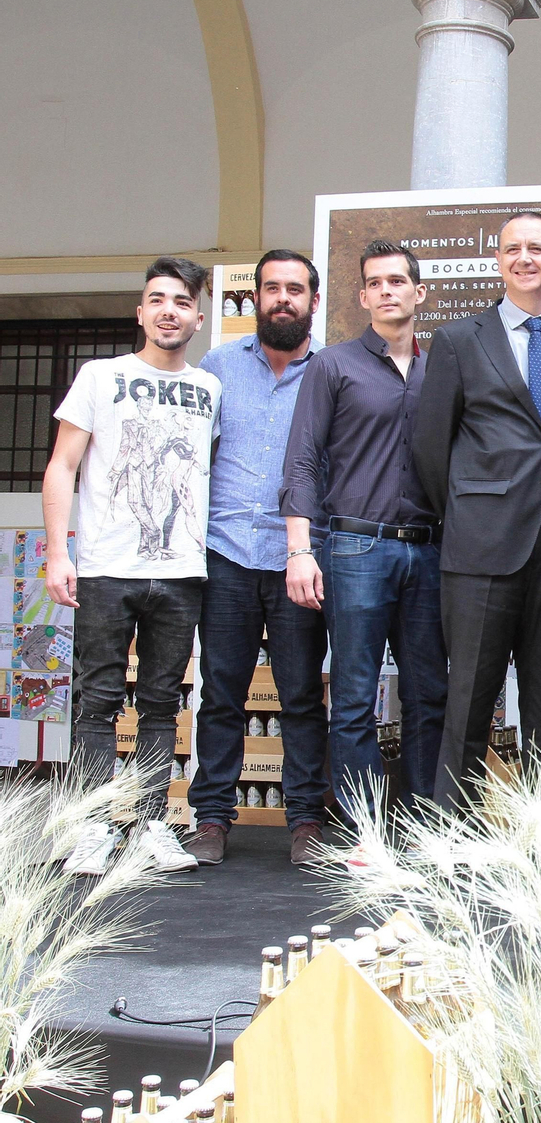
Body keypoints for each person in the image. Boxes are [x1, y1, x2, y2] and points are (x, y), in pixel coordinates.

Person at [413, 212, 541, 810]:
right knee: (470, 699)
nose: (525, 258)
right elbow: (430, 447)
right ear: (498, 261)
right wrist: (472, 514)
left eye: (537, 249)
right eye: (512, 249)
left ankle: (539, 835)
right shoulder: (458, 340)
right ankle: (452, 834)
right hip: (480, 550)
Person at [45, 257, 219, 876]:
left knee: (161, 703)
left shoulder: (210, 389)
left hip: (181, 571)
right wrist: (58, 553)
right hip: (105, 566)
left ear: (198, 318)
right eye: (158, 300)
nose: (169, 311)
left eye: (181, 302)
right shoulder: (100, 376)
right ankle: (92, 828)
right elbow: (63, 465)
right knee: (96, 700)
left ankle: (149, 826)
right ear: (141, 312)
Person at [282, 240, 446, 823]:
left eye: (396, 281)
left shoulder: (440, 369)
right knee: (354, 697)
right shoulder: (333, 365)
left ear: (419, 292)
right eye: (375, 283)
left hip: (428, 550)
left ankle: (427, 825)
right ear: (361, 297)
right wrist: (299, 550)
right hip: (355, 548)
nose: (386, 291)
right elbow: (302, 460)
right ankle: (365, 829)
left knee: (430, 693)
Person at [187, 250, 330, 867]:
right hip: (226, 554)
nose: (282, 299)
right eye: (272, 288)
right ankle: (211, 818)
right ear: (256, 297)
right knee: (221, 694)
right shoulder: (218, 367)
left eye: (294, 289)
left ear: (313, 301)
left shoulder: (331, 371)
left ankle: (306, 820)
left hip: (300, 558)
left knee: (301, 696)